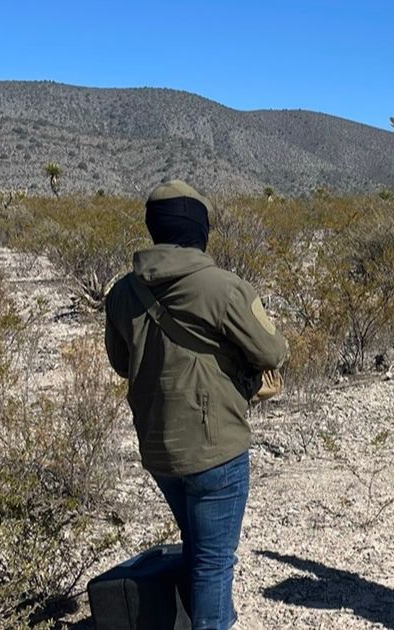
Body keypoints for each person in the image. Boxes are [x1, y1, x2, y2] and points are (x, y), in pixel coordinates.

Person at [105, 179, 288, 630]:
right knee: (213, 564)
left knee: (198, 548)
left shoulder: (121, 293)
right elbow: (272, 352)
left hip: (159, 451)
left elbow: (121, 363)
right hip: (216, 449)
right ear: (200, 228)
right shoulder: (225, 288)